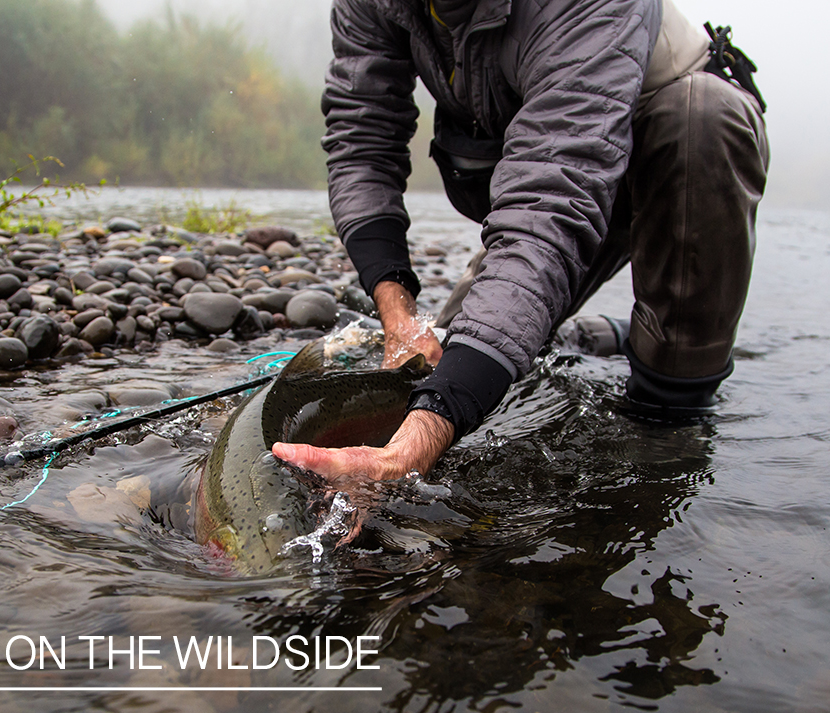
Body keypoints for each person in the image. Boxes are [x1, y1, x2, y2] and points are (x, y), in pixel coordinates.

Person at [272, 0, 768, 481]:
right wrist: (399, 316)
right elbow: (362, 145)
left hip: (670, 162)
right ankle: (594, 335)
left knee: (702, 116)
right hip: (549, 176)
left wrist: (411, 449)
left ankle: (670, 422)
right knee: (453, 357)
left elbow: (552, 202)